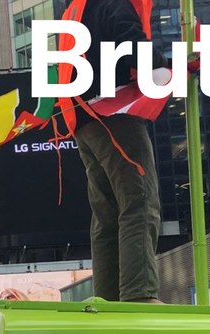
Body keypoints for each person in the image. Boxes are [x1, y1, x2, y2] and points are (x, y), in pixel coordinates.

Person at [67, 0, 164, 302]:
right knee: (139, 202)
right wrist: (158, 65)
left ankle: (107, 302)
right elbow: (128, 37)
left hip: (83, 118)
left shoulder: (76, 7)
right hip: (114, 112)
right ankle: (139, 295)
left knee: (107, 215)